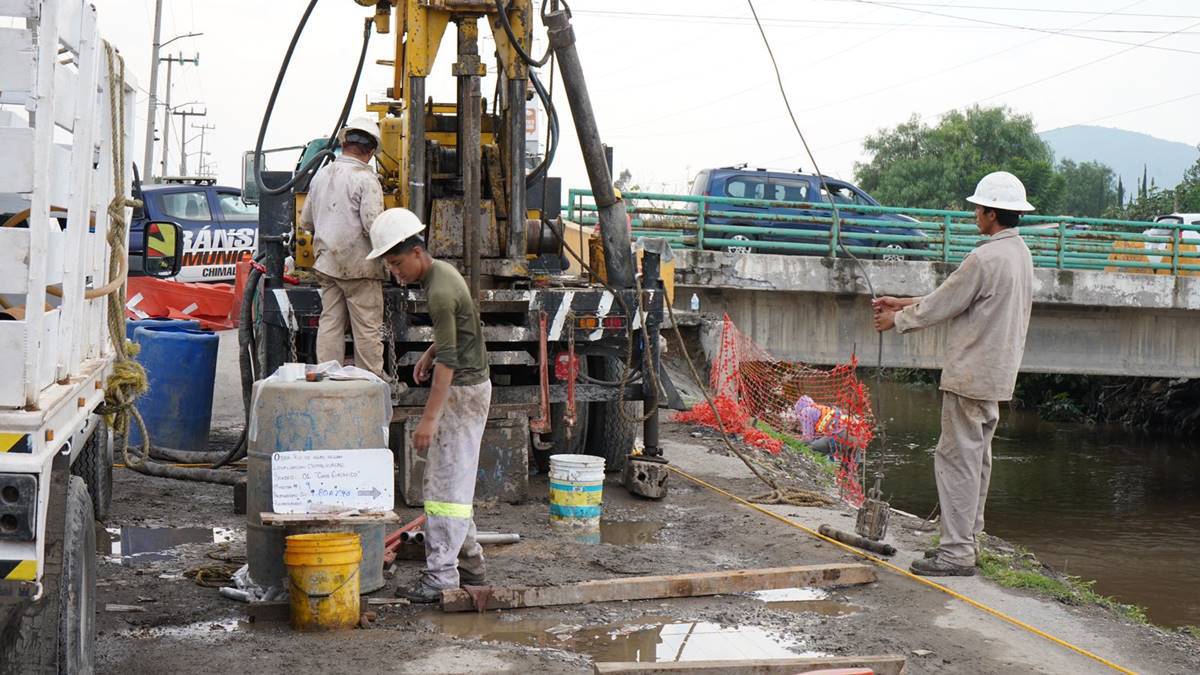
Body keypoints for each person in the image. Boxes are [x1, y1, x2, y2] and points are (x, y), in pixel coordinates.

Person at [872, 171, 1035, 577]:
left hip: (971, 374)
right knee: (977, 461)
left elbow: (945, 303)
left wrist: (898, 319)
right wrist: (904, 301)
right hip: (996, 376)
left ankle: (956, 552)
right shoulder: (1020, 255)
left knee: (956, 461)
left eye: (978, 208)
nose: (975, 214)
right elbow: (957, 297)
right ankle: (965, 543)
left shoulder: (984, 257)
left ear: (992, 213)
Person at [365, 208, 492, 603]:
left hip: (463, 392)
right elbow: (461, 327)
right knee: (454, 482)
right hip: (471, 387)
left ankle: (441, 577)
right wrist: (428, 353)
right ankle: (471, 568)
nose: (396, 273)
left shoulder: (437, 289)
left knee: (444, 488)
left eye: (398, 263)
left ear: (417, 252)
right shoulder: (445, 275)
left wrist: (429, 420)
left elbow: (452, 361)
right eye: (390, 266)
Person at [298, 117, 387, 379]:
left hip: (327, 264)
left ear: (344, 143)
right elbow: (374, 226)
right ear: (371, 151)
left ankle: (327, 377)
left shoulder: (321, 176)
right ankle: (369, 381)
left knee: (331, 322)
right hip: (360, 267)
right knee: (367, 328)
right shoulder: (366, 179)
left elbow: (307, 222)